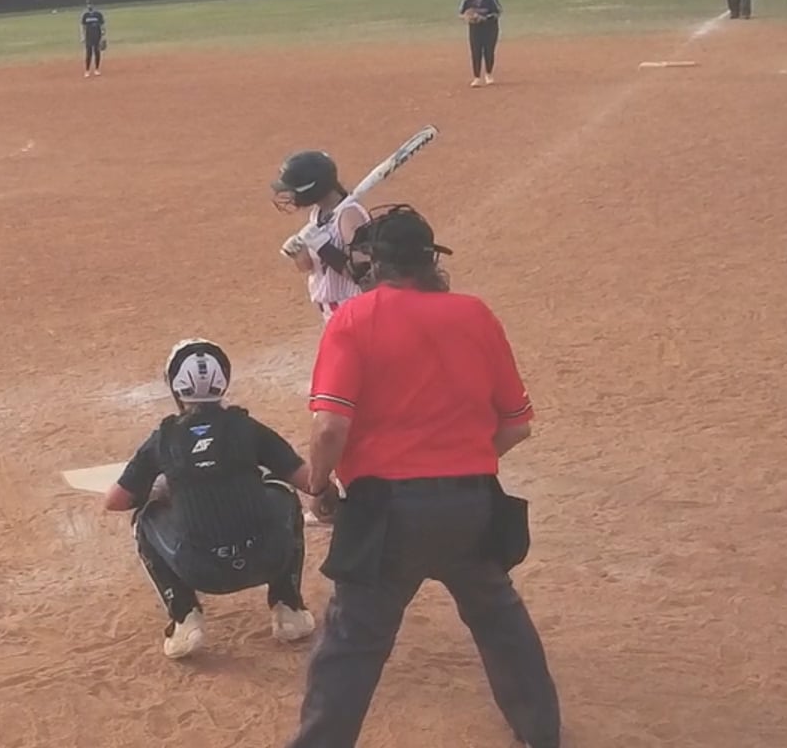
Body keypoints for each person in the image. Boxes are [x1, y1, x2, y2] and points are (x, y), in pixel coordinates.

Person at [285, 204, 560, 748]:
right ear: (431, 261)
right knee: (500, 621)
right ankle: (542, 735)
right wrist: (460, 462)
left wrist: (318, 486)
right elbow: (516, 425)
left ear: (372, 264)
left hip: (385, 514)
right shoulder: (475, 315)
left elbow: (331, 428)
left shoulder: (354, 319)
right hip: (472, 506)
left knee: (351, 643)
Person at [104, 339, 316, 660]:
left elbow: (116, 501)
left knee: (144, 515)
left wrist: (164, 489)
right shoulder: (247, 427)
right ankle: (289, 609)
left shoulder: (164, 438)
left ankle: (185, 618)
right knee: (283, 493)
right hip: (266, 558)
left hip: (201, 570)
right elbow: (309, 481)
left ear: (175, 387)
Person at [274, 150, 372, 324]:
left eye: (294, 190)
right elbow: (313, 268)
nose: (291, 196)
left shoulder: (349, 215)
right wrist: (299, 253)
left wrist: (323, 247)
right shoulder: (318, 213)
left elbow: (364, 273)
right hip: (332, 311)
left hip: (354, 310)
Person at [459, 0, 503, 87]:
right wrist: (468, 18)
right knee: (475, 52)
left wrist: (484, 18)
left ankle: (488, 74)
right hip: (475, 30)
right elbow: (461, 14)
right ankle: (477, 77)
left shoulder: (490, 0)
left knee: (489, 51)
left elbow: (498, 12)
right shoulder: (467, 2)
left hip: (490, 29)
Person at [81, 3, 106, 77]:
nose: (89, 6)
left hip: (97, 36)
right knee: (88, 53)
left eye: (91, 4)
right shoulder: (85, 15)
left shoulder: (98, 14)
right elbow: (83, 27)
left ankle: (97, 69)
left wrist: (103, 36)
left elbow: (102, 26)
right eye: (88, 4)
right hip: (88, 37)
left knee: (97, 52)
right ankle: (87, 70)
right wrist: (83, 37)